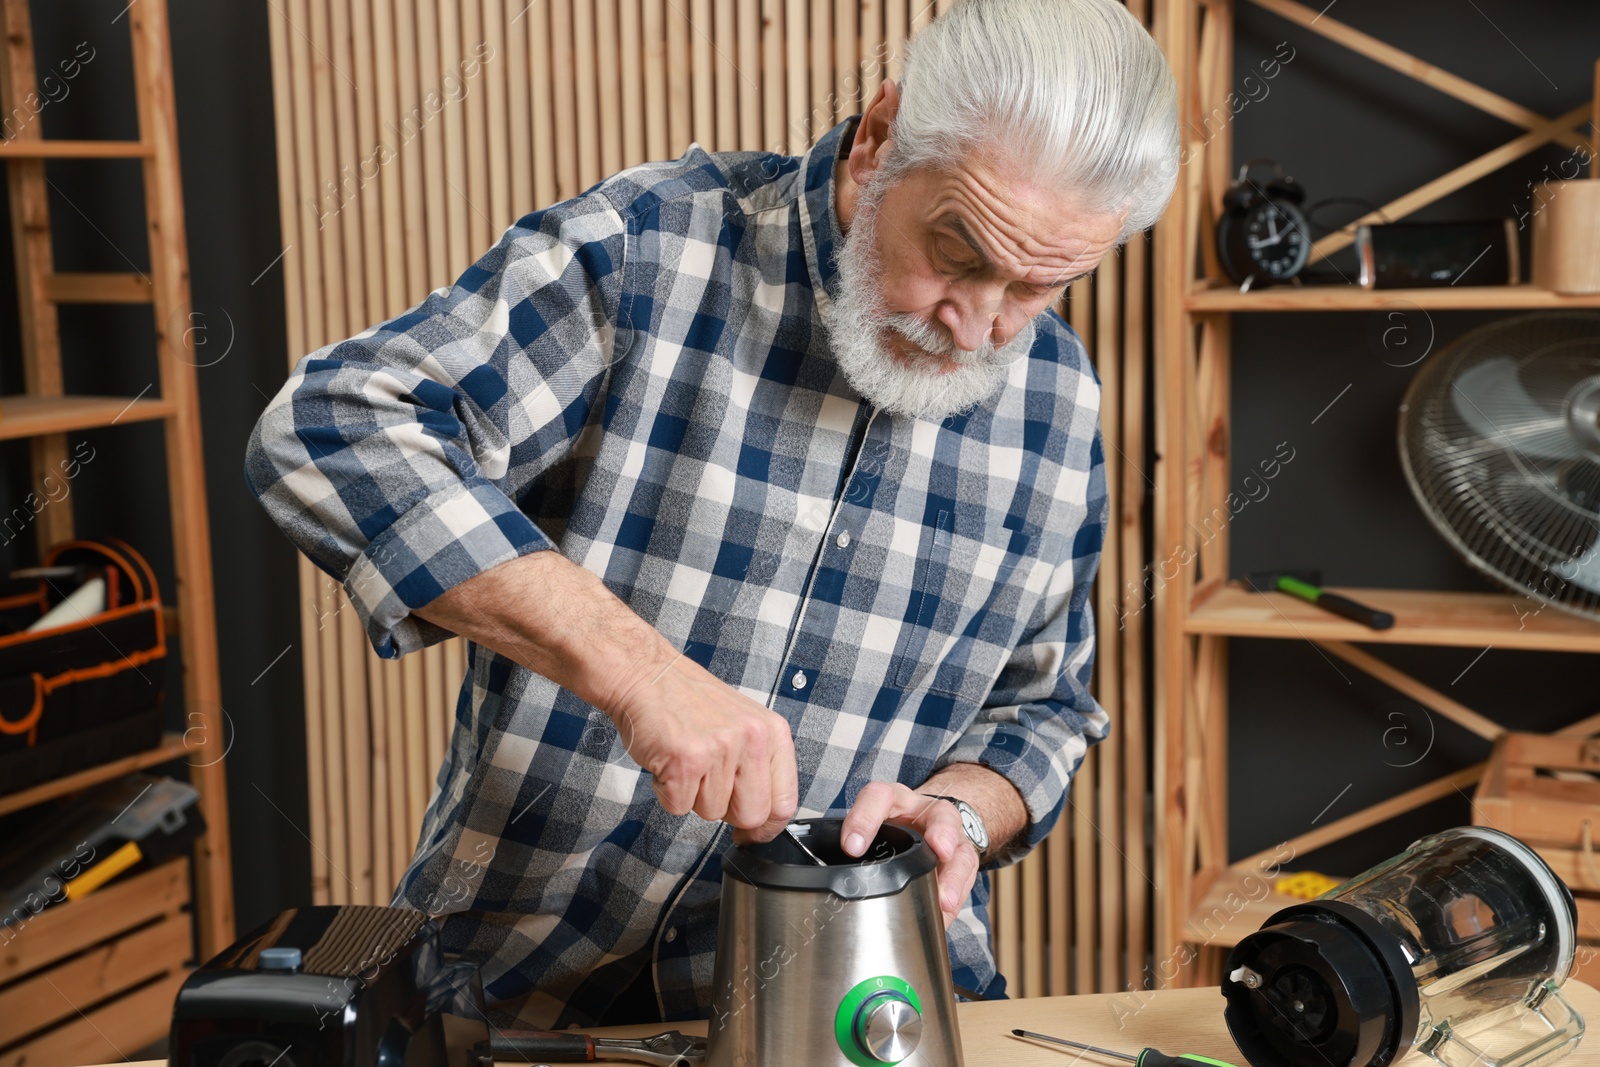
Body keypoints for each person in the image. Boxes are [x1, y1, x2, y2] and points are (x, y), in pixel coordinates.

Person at [245, 0, 1177, 1029]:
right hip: (518, 992)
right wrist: (639, 671)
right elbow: (332, 426)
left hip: (865, 1005)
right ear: (878, 138)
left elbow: (1043, 709)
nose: (976, 324)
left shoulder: (1058, 395)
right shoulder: (651, 252)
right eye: (956, 251)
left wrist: (959, 811)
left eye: (1038, 286)